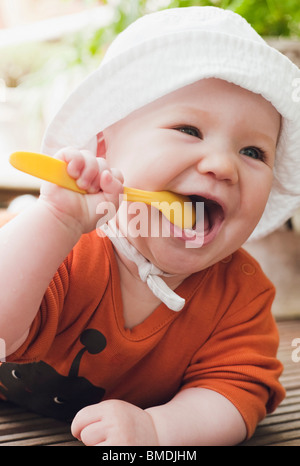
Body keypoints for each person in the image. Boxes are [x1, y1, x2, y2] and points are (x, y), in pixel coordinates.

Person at [0, 6, 299, 446]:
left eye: (253, 152)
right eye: (189, 129)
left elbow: (236, 393)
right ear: (107, 145)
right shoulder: (64, 245)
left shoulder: (240, 296)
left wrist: (158, 430)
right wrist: (55, 221)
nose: (222, 165)